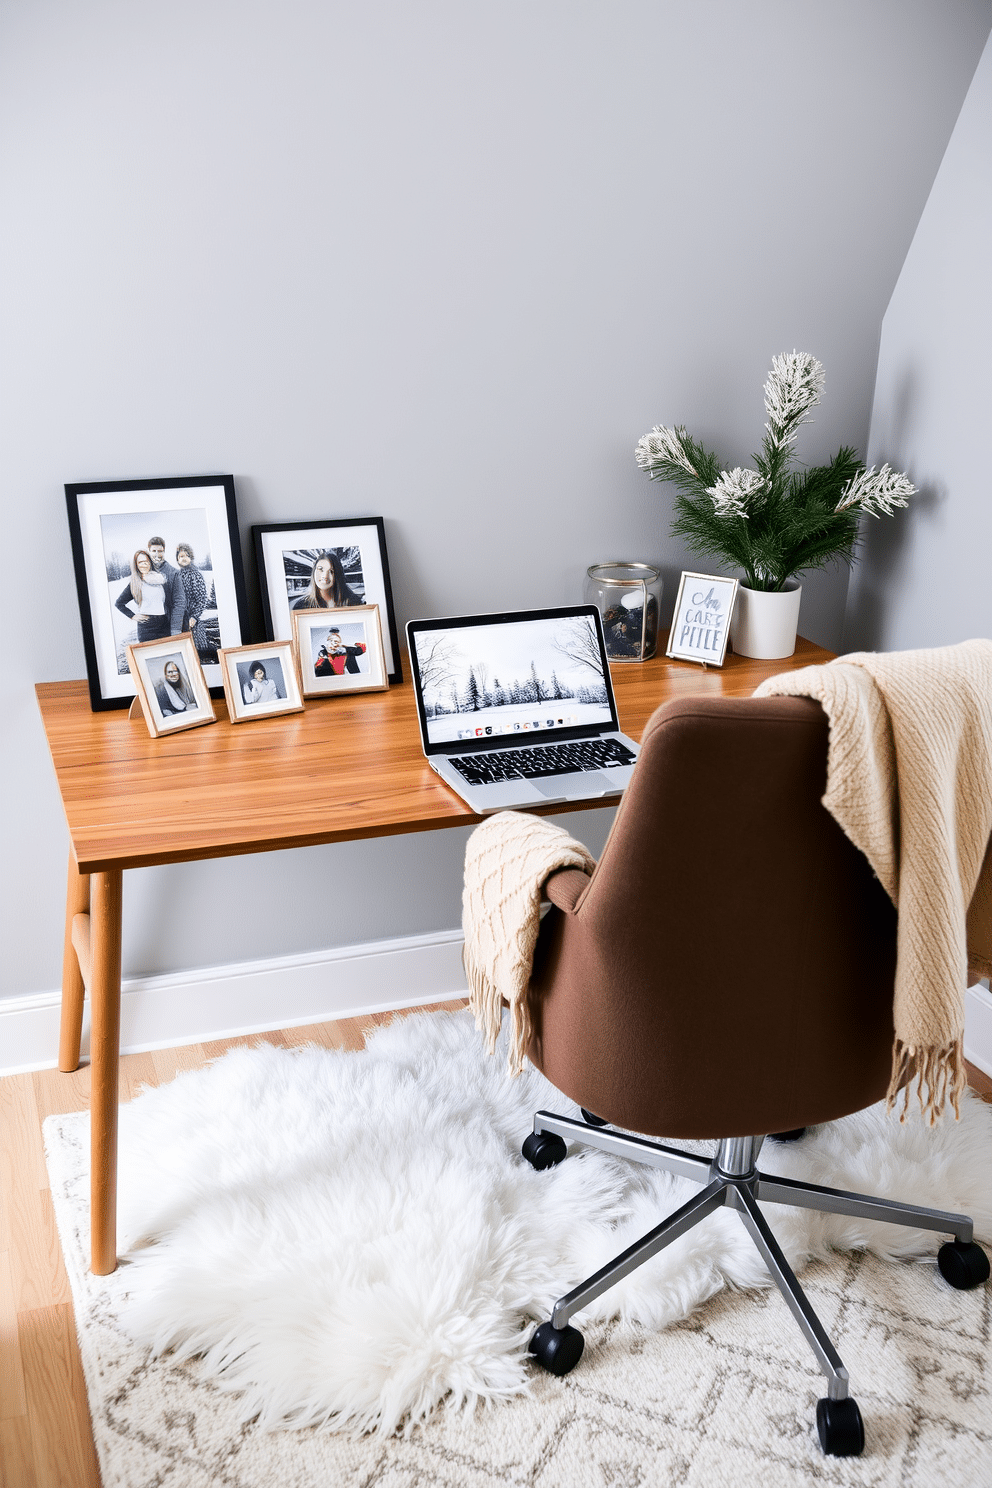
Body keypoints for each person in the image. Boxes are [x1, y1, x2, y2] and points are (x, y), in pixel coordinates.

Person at [115, 550, 170, 641]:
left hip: (164, 624)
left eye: (146, 561)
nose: (144, 564)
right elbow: (119, 603)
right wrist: (132, 616)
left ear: (150, 563)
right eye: (140, 562)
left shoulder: (160, 580)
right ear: (136, 565)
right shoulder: (135, 583)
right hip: (147, 627)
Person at [292, 551, 362, 609]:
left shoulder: (354, 603)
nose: (325, 576)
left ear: (338, 575)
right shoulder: (301, 607)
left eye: (331, 571)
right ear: (314, 571)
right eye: (320, 569)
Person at [146, 536, 187, 634]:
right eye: (154, 550)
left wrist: (175, 629)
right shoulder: (144, 572)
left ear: (164, 551)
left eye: (160, 551)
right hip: (152, 627)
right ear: (149, 551)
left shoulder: (173, 573)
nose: (157, 554)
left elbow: (179, 602)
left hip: (170, 625)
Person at [175, 543, 208, 649]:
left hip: (192, 620)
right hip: (180, 619)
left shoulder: (195, 574)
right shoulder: (178, 575)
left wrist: (194, 616)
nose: (183, 558)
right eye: (181, 556)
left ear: (191, 557)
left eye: (186, 556)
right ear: (177, 559)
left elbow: (201, 599)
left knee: (195, 648)